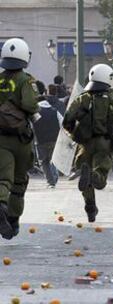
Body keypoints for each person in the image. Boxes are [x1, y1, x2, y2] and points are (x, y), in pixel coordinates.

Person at [63, 64, 113, 223]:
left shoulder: (82, 98)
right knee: (99, 178)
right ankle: (92, 175)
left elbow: (67, 121)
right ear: (107, 78)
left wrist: (75, 135)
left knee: (86, 178)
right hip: (105, 143)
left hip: (84, 145)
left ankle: (90, 208)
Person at [0, 38, 39, 240]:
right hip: (20, 139)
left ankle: (0, 203)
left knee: (3, 177)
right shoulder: (26, 80)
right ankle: (13, 220)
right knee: (19, 181)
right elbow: (31, 105)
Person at [33, 82, 63, 188]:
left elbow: (32, 126)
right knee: (53, 160)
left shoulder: (36, 113)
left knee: (44, 162)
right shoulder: (54, 111)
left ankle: (51, 181)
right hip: (54, 140)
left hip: (40, 141)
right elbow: (63, 124)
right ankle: (54, 177)